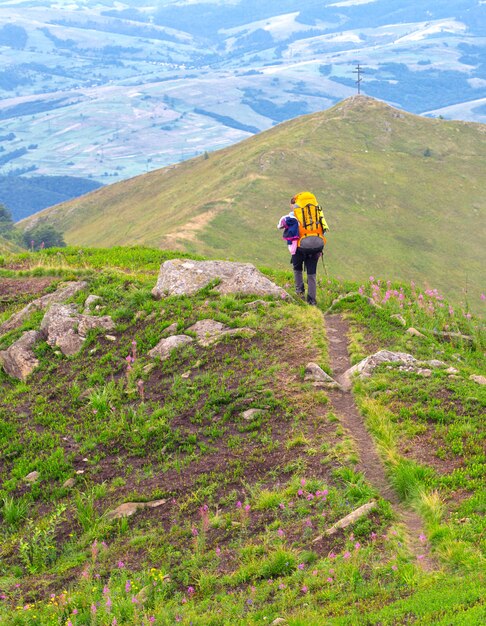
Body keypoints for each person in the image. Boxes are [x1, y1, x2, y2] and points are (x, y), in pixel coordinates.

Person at [277, 191, 328, 305]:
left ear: (295, 204)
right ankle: (312, 301)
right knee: (312, 274)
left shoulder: (293, 215)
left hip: (300, 247)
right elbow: (324, 229)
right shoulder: (317, 214)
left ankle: (300, 295)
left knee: (297, 269)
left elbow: (280, 225)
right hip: (316, 246)